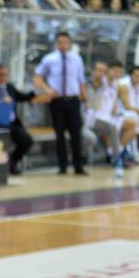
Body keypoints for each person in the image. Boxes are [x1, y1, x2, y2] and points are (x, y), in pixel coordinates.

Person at [34, 31, 88, 175]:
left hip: (73, 100)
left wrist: (85, 98)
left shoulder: (77, 59)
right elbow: (38, 77)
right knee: (60, 134)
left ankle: (78, 166)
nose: (63, 45)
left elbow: (81, 80)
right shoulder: (49, 59)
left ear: (70, 43)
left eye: (66, 42)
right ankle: (62, 166)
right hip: (57, 101)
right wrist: (47, 89)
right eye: (60, 42)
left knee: (76, 134)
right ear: (56, 44)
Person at [0, 64, 37, 175]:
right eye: (0, 75)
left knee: (27, 140)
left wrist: (35, 91)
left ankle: (12, 162)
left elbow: (21, 97)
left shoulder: (9, 87)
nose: (2, 78)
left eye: (5, 75)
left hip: (10, 123)